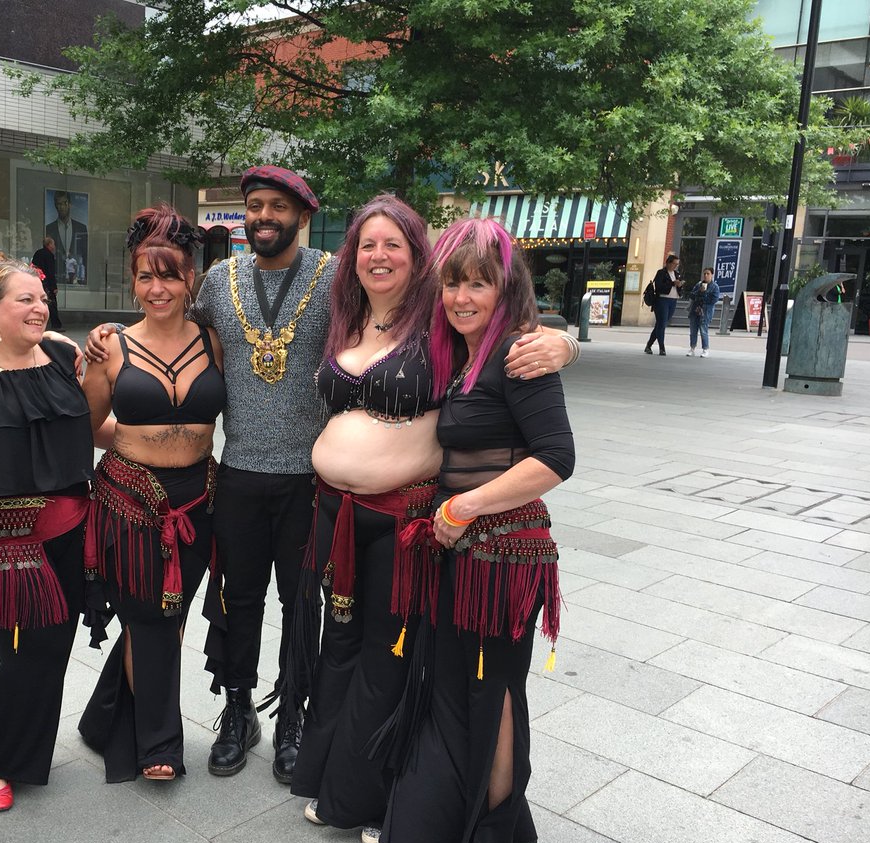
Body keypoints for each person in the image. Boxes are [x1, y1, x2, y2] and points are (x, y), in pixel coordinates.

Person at [85, 168, 579, 784]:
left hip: (308, 484)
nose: (264, 216)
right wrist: (101, 339)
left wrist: (563, 341)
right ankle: (237, 710)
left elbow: (465, 306)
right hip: (236, 473)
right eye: (254, 207)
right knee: (235, 601)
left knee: (304, 605)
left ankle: (293, 715)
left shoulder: (334, 278)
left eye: (279, 207)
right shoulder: (216, 279)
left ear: (303, 214)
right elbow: (169, 320)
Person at [379, 217, 575, 843]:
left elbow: (556, 458)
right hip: (465, 556)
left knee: (493, 692)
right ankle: (501, 816)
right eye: (453, 284)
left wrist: (463, 506)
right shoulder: (466, 355)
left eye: (478, 285)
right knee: (477, 690)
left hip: (502, 558)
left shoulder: (518, 354)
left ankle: (491, 837)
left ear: (504, 288)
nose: (461, 297)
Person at [288, 195, 442, 843]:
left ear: (416, 254)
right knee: (340, 645)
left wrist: (565, 344)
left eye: (393, 245)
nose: (378, 257)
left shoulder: (440, 324)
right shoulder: (345, 322)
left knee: (389, 652)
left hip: (401, 519)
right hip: (334, 513)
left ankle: (369, 797)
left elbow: (513, 331)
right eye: (366, 246)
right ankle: (328, 781)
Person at [0, 259, 94, 812]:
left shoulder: (60, 355)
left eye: (42, 298)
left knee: (51, 649)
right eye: (25, 299)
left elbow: (93, 427)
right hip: (1, 537)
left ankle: (26, 752)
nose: (40, 307)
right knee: (28, 650)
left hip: (73, 528)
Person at [77, 205, 224, 782]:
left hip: (197, 500)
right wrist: (141, 439)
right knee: (151, 621)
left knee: (171, 616)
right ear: (132, 280)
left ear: (191, 277)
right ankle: (158, 742)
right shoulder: (109, 347)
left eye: (169, 274)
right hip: (130, 501)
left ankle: (103, 715)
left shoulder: (215, 339)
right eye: (145, 275)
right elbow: (88, 427)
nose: (156, 288)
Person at [46, 190, 88, 285]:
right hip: (56, 277)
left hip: (76, 278)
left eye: (64, 203)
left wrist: (85, 276)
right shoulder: (49, 229)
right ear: (55, 205)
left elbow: (86, 254)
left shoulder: (81, 228)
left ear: (69, 204)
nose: (62, 207)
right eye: (58, 204)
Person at [644, 253, 683, 356]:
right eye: (674, 264)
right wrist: (672, 283)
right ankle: (662, 347)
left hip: (673, 300)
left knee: (661, 324)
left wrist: (679, 285)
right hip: (662, 300)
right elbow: (659, 287)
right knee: (662, 324)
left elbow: (678, 287)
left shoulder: (677, 273)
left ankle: (649, 345)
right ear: (668, 263)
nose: (676, 266)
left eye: (677, 264)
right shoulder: (661, 273)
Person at [686, 267, 720, 358]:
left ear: (712, 275)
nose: (705, 275)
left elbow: (714, 300)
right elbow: (692, 295)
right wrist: (699, 291)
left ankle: (705, 349)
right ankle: (692, 348)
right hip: (695, 310)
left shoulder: (715, 287)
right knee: (693, 330)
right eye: (704, 273)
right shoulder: (699, 284)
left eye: (708, 274)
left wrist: (704, 293)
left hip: (705, 311)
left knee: (703, 330)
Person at [32, 236, 63, 329]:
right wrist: (54, 287)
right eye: (53, 244)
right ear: (49, 244)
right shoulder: (49, 255)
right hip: (47, 283)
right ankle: (56, 324)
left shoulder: (38, 253)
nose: (54, 246)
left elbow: (33, 267)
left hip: (38, 281)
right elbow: (50, 272)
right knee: (52, 303)